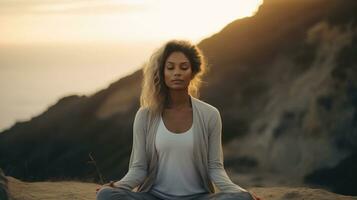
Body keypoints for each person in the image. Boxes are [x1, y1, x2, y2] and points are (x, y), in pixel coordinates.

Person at [96, 40, 261, 200]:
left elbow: (215, 169)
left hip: (198, 197)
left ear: (193, 72)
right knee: (106, 195)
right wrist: (116, 187)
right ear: (162, 72)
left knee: (242, 198)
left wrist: (240, 192)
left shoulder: (210, 115)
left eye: (184, 67)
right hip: (154, 197)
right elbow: (139, 169)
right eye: (170, 67)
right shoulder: (145, 115)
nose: (177, 73)